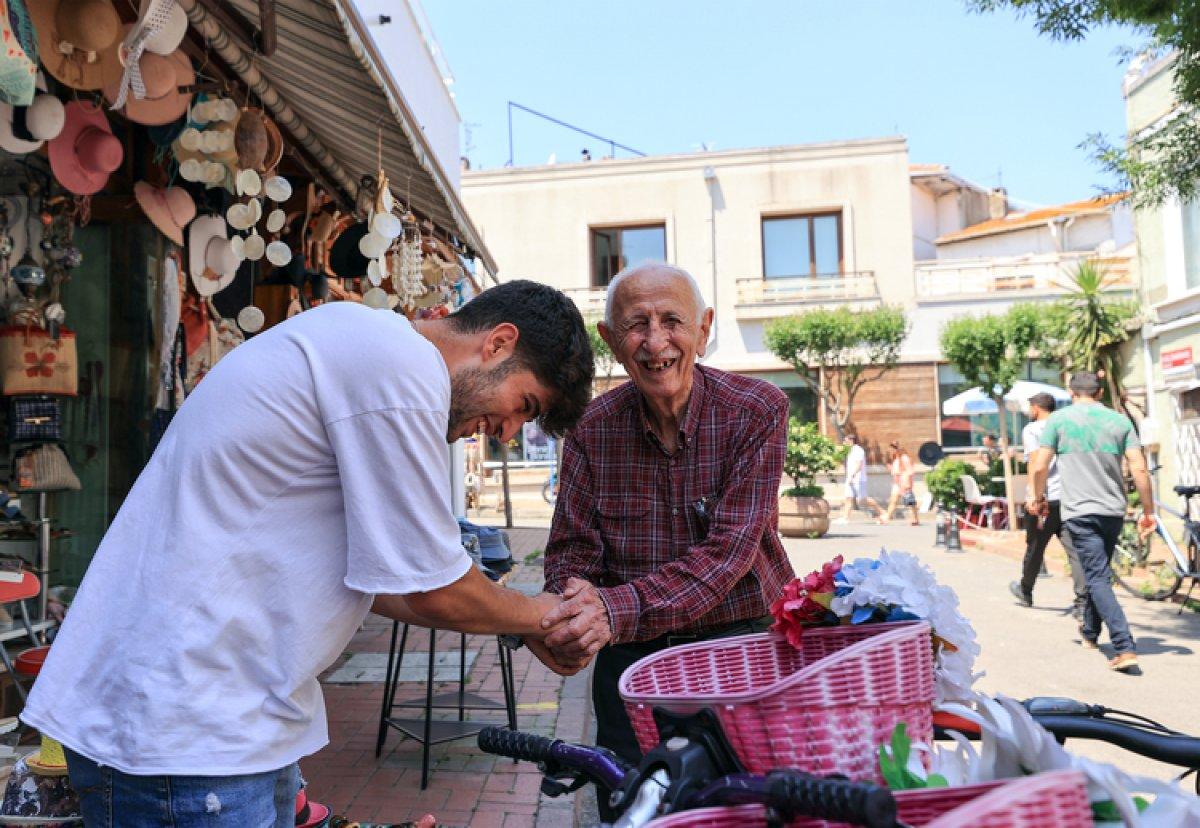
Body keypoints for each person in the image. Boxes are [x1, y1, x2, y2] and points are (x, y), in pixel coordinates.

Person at [20, 281, 595, 824]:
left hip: (223, 724)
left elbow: (393, 583)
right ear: (498, 343)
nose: (506, 431)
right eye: (523, 404)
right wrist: (546, 616)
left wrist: (522, 623)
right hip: (184, 728)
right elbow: (434, 588)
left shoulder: (368, 348)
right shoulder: (398, 364)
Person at [537, 263, 794, 814]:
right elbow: (570, 551)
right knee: (632, 808)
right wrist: (573, 608)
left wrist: (607, 611)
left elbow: (729, 554)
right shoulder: (590, 427)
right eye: (636, 324)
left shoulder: (757, 410)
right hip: (631, 666)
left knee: (747, 811)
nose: (656, 342)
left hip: (738, 648)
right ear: (609, 340)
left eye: (672, 320)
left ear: (704, 329)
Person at [1028, 372, 1155, 674]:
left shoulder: (1058, 421)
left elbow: (1039, 465)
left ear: (1071, 393)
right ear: (1099, 393)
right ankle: (1090, 632)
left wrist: (1036, 495)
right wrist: (1148, 510)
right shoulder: (1120, 422)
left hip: (1080, 512)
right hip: (1113, 511)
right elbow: (1139, 467)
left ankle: (1124, 646)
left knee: (1096, 576)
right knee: (1097, 570)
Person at [1008, 392, 1087, 616]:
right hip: (1068, 496)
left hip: (1044, 498)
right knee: (1074, 549)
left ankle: (1025, 590)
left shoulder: (1032, 430)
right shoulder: (1066, 427)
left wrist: (1034, 495)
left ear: (1035, 408)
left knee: (1035, 546)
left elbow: (1035, 462)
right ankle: (1082, 601)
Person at [835, 434, 885, 524]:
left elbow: (859, 465)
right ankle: (845, 518)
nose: (844, 443)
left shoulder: (858, 450)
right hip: (850, 479)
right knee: (848, 498)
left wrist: (853, 475)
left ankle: (882, 512)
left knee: (863, 500)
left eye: (846, 441)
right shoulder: (850, 451)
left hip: (859, 479)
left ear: (851, 441)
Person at [882, 441, 919, 525]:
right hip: (897, 483)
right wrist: (891, 468)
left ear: (896, 449)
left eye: (891, 450)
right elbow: (896, 471)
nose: (890, 452)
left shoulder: (904, 458)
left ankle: (915, 518)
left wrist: (907, 484)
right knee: (893, 501)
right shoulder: (896, 459)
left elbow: (910, 471)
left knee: (910, 502)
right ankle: (887, 518)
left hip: (904, 483)